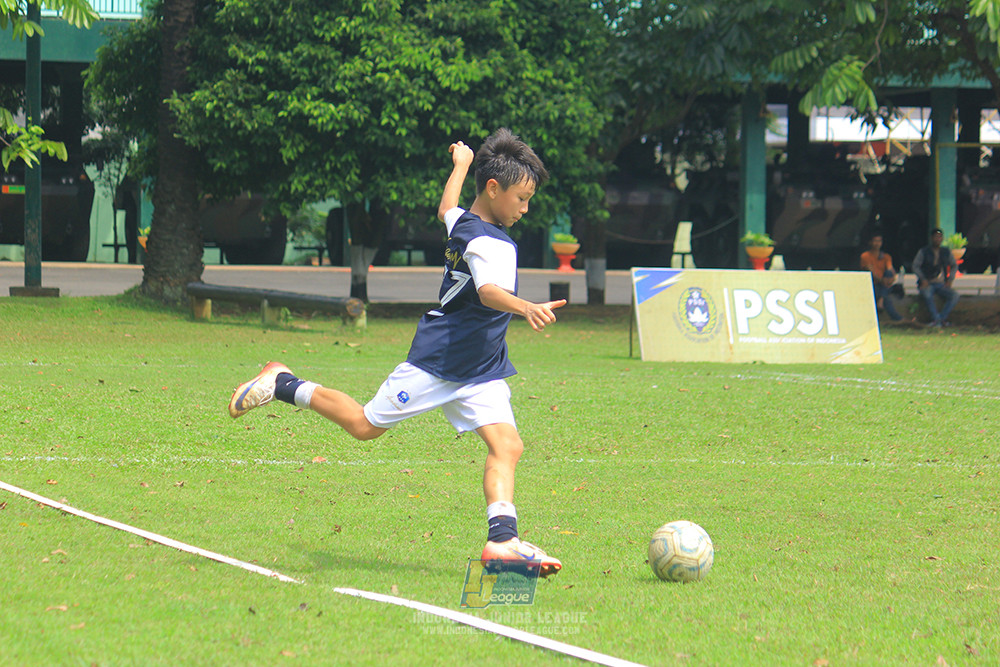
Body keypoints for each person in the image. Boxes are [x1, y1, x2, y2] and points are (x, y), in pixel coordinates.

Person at [227, 129, 566, 576]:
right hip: (441, 359)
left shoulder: (464, 221)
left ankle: (503, 542)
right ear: (493, 189)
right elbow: (487, 292)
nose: (525, 208)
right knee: (364, 426)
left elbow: (446, 207)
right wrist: (525, 306)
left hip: (481, 365)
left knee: (508, 445)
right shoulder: (492, 243)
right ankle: (283, 382)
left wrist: (460, 166)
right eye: (522, 198)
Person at [912, 228, 960, 327]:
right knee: (927, 294)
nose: (938, 239)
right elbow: (915, 266)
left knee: (954, 296)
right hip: (928, 283)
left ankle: (940, 319)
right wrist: (923, 279)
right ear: (931, 238)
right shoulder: (924, 251)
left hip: (941, 284)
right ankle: (937, 319)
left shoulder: (946, 252)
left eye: (940, 237)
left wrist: (950, 279)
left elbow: (954, 265)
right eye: (935, 237)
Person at [859, 232, 903, 322]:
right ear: (870, 242)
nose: (877, 243)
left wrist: (891, 279)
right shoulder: (865, 256)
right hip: (873, 284)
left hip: (884, 285)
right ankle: (898, 319)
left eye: (879, 241)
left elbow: (891, 270)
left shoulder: (886, 257)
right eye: (875, 241)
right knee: (886, 298)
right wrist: (883, 280)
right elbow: (871, 272)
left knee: (888, 275)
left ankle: (881, 300)